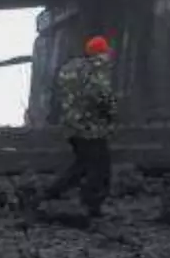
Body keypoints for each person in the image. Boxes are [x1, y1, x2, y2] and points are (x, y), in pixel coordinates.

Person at [42, 34, 118, 219]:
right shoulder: (97, 69)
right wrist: (111, 112)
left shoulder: (69, 69)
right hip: (91, 127)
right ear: (101, 53)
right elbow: (101, 94)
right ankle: (91, 204)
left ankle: (51, 192)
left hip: (72, 126)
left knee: (82, 164)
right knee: (101, 168)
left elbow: (59, 95)